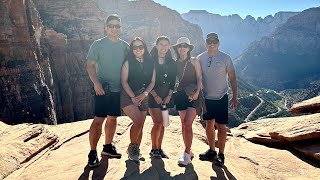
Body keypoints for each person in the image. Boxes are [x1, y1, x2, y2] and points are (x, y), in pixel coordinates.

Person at [86, 14, 129, 167]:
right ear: (106, 27)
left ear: (121, 28)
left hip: (118, 89)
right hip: (102, 89)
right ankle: (92, 152)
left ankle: (107, 147)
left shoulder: (125, 46)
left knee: (113, 118)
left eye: (117, 26)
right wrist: (96, 83)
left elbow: (131, 66)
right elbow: (90, 65)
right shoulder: (98, 44)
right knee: (99, 119)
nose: (114, 28)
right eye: (111, 25)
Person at [197, 32, 238, 166]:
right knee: (209, 124)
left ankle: (221, 154)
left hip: (221, 97)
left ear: (218, 43)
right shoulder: (200, 58)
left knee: (221, 125)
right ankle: (211, 150)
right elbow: (197, 78)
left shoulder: (226, 58)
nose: (212, 44)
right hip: (206, 98)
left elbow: (232, 77)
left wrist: (235, 96)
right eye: (209, 42)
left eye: (214, 41)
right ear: (206, 43)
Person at [121, 37, 156, 162]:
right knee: (137, 121)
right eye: (135, 47)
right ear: (132, 49)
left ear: (144, 48)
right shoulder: (128, 62)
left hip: (143, 96)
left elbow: (152, 82)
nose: (138, 49)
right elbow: (124, 82)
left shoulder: (150, 63)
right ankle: (132, 149)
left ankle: (136, 151)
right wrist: (133, 97)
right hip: (128, 96)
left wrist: (144, 94)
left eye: (140, 47)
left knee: (141, 124)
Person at [173, 37, 203, 166]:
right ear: (177, 48)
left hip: (193, 95)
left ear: (189, 48)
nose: (182, 48)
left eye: (185, 45)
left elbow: (200, 77)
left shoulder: (194, 61)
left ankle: (186, 152)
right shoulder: (175, 62)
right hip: (180, 95)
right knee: (183, 124)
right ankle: (188, 151)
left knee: (187, 123)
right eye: (180, 46)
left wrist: (197, 93)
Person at [149, 36, 177, 158]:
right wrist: (155, 95)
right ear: (156, 46)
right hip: (153, 95)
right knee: (158, 122)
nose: (163, 47)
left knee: (164, 122)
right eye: (161, 44)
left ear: (169, 47)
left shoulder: (171, 62)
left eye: (166, 44)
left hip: (167, 97)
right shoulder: (150, 61)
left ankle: (159, 148)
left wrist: (169, 95)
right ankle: (154, 149)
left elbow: (172, 81)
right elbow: (147, 81)